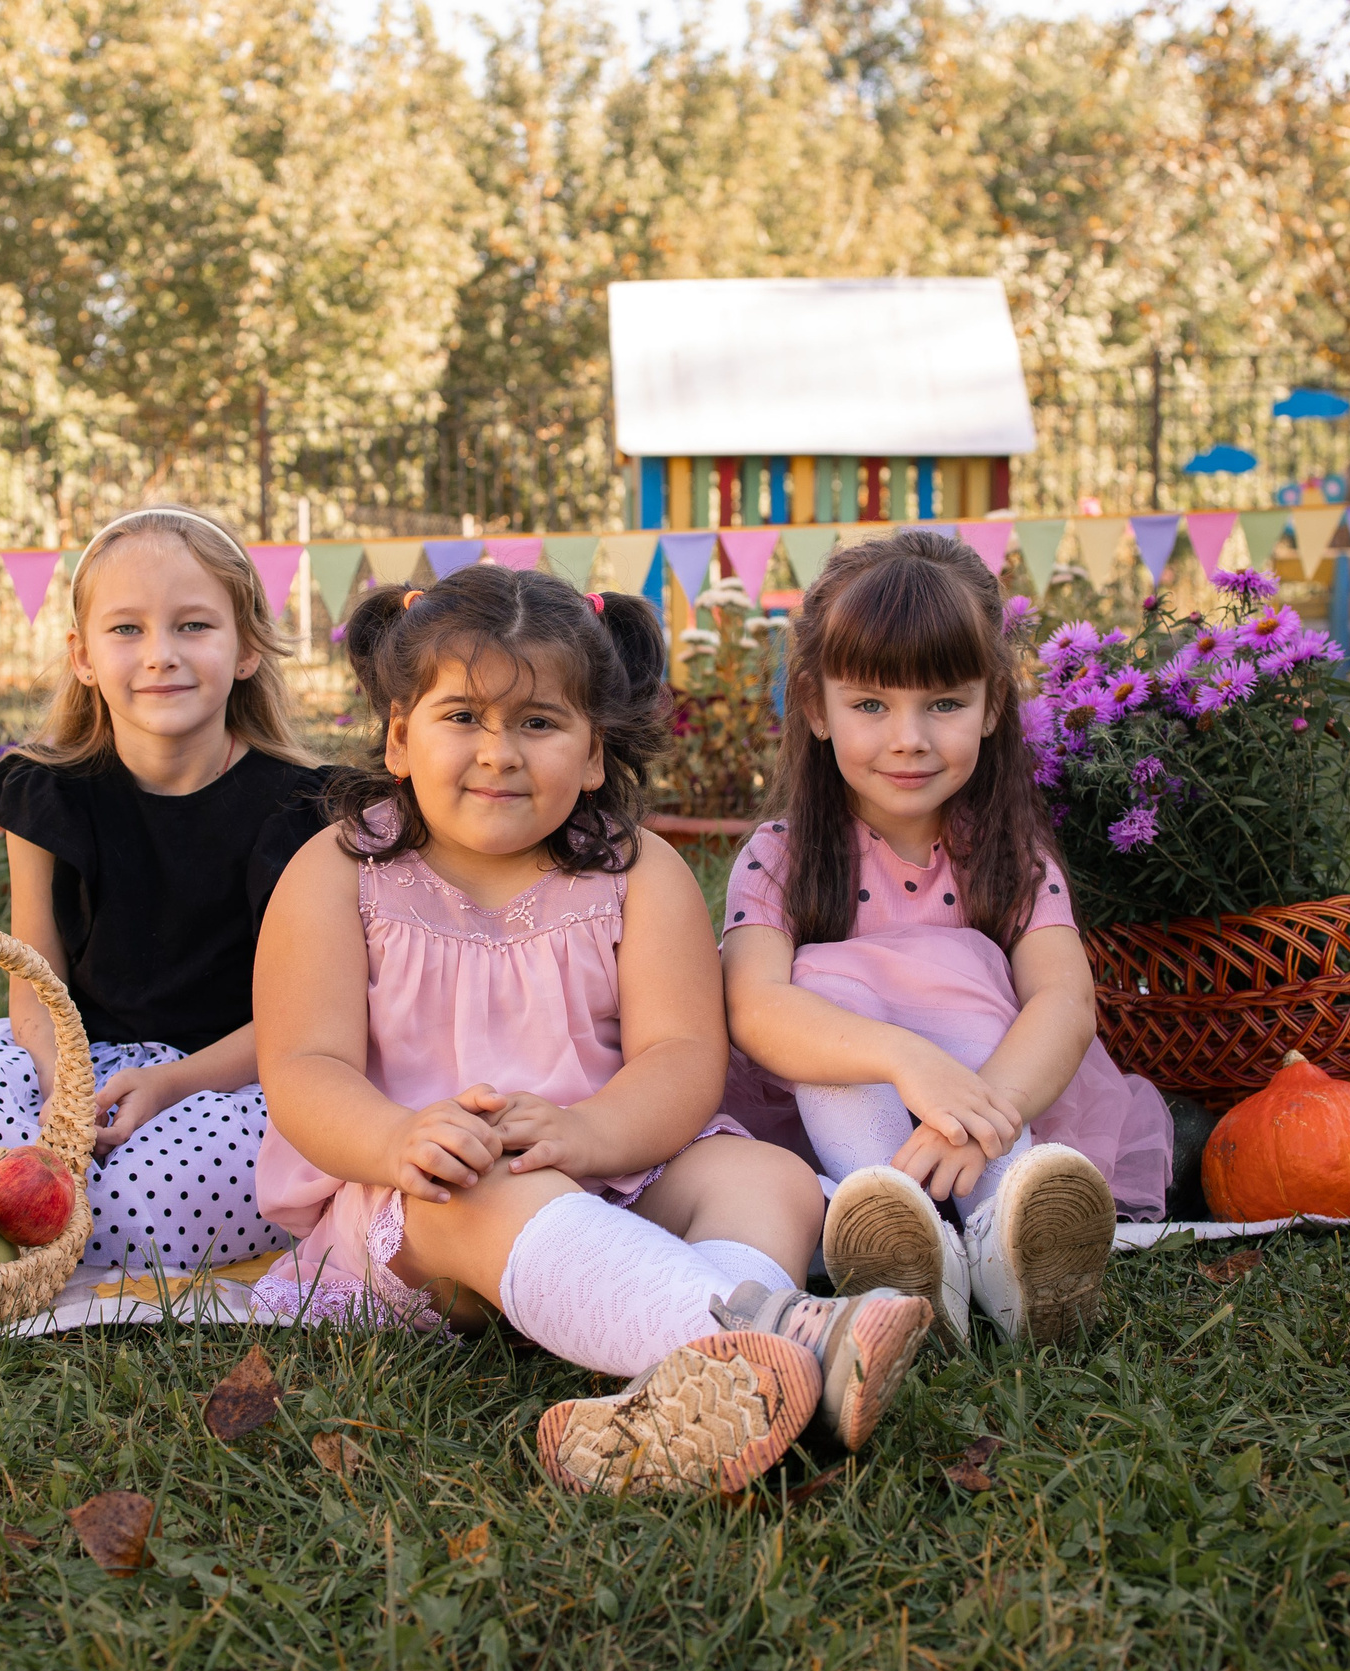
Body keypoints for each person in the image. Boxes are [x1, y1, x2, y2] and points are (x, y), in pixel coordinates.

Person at [252, 566, 935, 1495]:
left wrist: (590, 1134)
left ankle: (683, 1393)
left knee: (766, 1176)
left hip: (613, 1164)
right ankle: (778, 1338)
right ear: (400, 737)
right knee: (480, 1186)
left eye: (538, 722)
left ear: (596, 753)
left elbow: (682, 1055)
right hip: (423, 1211)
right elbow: (301, 1066)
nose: (499, 753)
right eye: (462, 717)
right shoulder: (342, 871)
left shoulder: (637, 872)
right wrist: (397, 1137)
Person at [721, 533, 1171, 1349]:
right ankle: (900, 1227)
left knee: (967, 966)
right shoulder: (780, 855)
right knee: (817, 981)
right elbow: (755, 1007)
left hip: (997, 1103)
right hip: (846, 1115)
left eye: (944, 703)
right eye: (870, 705)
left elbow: (1064, 1001)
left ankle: (1010, 1235)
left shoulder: (1007, 855)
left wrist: (982, 1114)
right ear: (815, 708)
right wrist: (904, 1059)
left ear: (993, 704)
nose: (909, 738)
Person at [0, 507, 326, 1277]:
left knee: (155, 1184)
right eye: (127, 630)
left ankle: (94, 1242)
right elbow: (33, 984)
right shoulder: (45, 792)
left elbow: (304, 1018)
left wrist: (171, 1082)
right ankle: (38, 1224)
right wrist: (67, 1087)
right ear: (82, 656)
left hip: (237, 1073)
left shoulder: (301, 812)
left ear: (247, 647)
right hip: (81, 1053)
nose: (161, 655)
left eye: (193, 626)